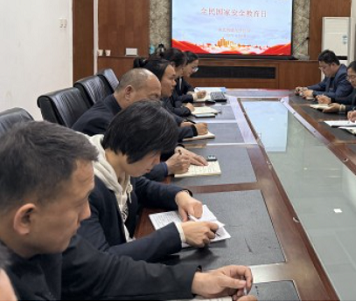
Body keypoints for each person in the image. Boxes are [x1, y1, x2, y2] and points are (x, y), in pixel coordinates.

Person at [0, 122, 253, 300]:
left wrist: (197, 281)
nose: (86, 214)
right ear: (26, 218)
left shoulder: (45, 236)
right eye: (78, 204)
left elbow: (105, 272)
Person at [78, 101, 218, 262]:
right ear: (133, 144)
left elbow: (143, 187)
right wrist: (178, 235)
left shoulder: (116, 160)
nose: (157, 161)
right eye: (154, 153)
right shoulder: (84, 189)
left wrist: (180, 196)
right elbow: (100, 262)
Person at [72, 68, 207, 181]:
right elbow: (128, 172)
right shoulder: (101, 122)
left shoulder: (124, 114)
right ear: (128, 92)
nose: (157, 106)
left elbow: (141, 146)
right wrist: (167, 167)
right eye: (153, 98)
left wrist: (175, 149)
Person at [134, 57, 208, 141]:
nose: (174, 83)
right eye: (171, 79)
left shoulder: (157, 100)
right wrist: (193, 130)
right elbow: (159, 135)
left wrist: (181, 123)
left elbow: (168, 113)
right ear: (155, 80)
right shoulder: (143, 104)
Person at [154, 48, 195, 117]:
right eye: (182, 68)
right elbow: (169, 112)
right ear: (172, 65)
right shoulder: (161, 82)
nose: (182, 71)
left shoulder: (174, 80)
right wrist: (186, 109)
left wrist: (182, 121)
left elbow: (176, 100)